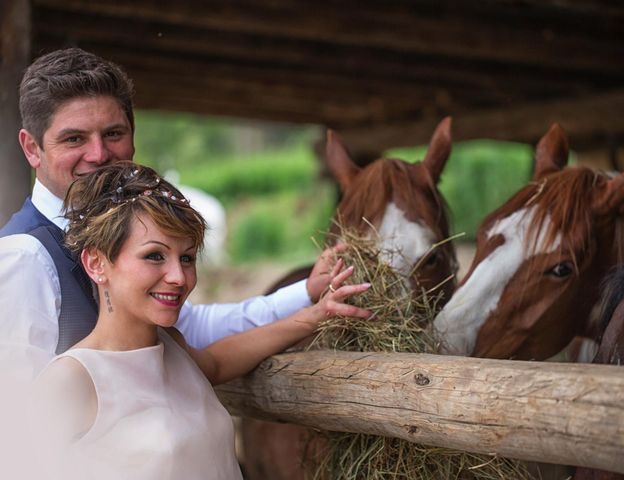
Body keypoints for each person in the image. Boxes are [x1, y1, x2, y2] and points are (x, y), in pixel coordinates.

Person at [0, 47, 337, 379]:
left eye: (113, 133)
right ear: (32, 148)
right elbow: (18, 416)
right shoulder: (23, 258)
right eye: (74, 139)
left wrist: (306, 292)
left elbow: (192, 327)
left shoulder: (127, 225)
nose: (99, 154)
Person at [29, 162, 371, 479]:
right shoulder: (71, 380)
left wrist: (314, 315)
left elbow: (219, 361)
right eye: (154, 256)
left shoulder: (170, 344)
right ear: (96, 263)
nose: (178, 276)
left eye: (187, 258)